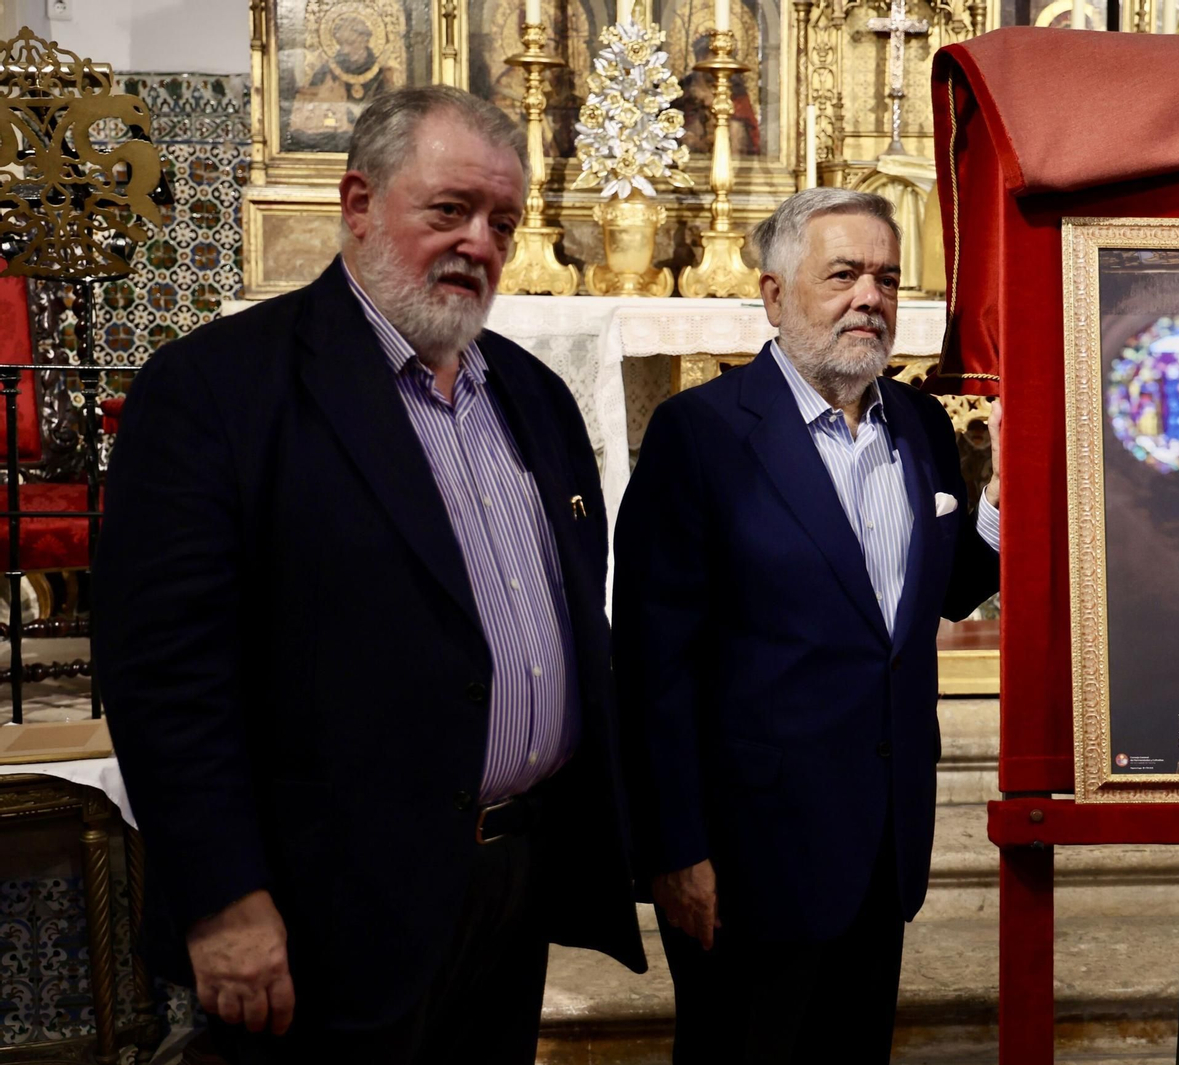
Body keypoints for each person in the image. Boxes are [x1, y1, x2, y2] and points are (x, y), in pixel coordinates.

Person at [94, 85, 644, 1064]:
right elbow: (166, 680)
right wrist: (225, 901)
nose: (479, 241)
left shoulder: (534, 395)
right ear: (357, 205)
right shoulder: (218, 390)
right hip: (324, 905)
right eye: (448, 210)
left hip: (507, 885)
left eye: (502, 221)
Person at [612, 187, 1001, 1062]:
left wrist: (1004, 505)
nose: (871, 296)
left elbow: (935, 591)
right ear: (776, 294)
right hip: (750, 854)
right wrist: (676, 849)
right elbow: (652, 663)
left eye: (888, 278)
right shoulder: (701, 435)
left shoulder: (923, 426)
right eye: (845, 274)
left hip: (882, 835)